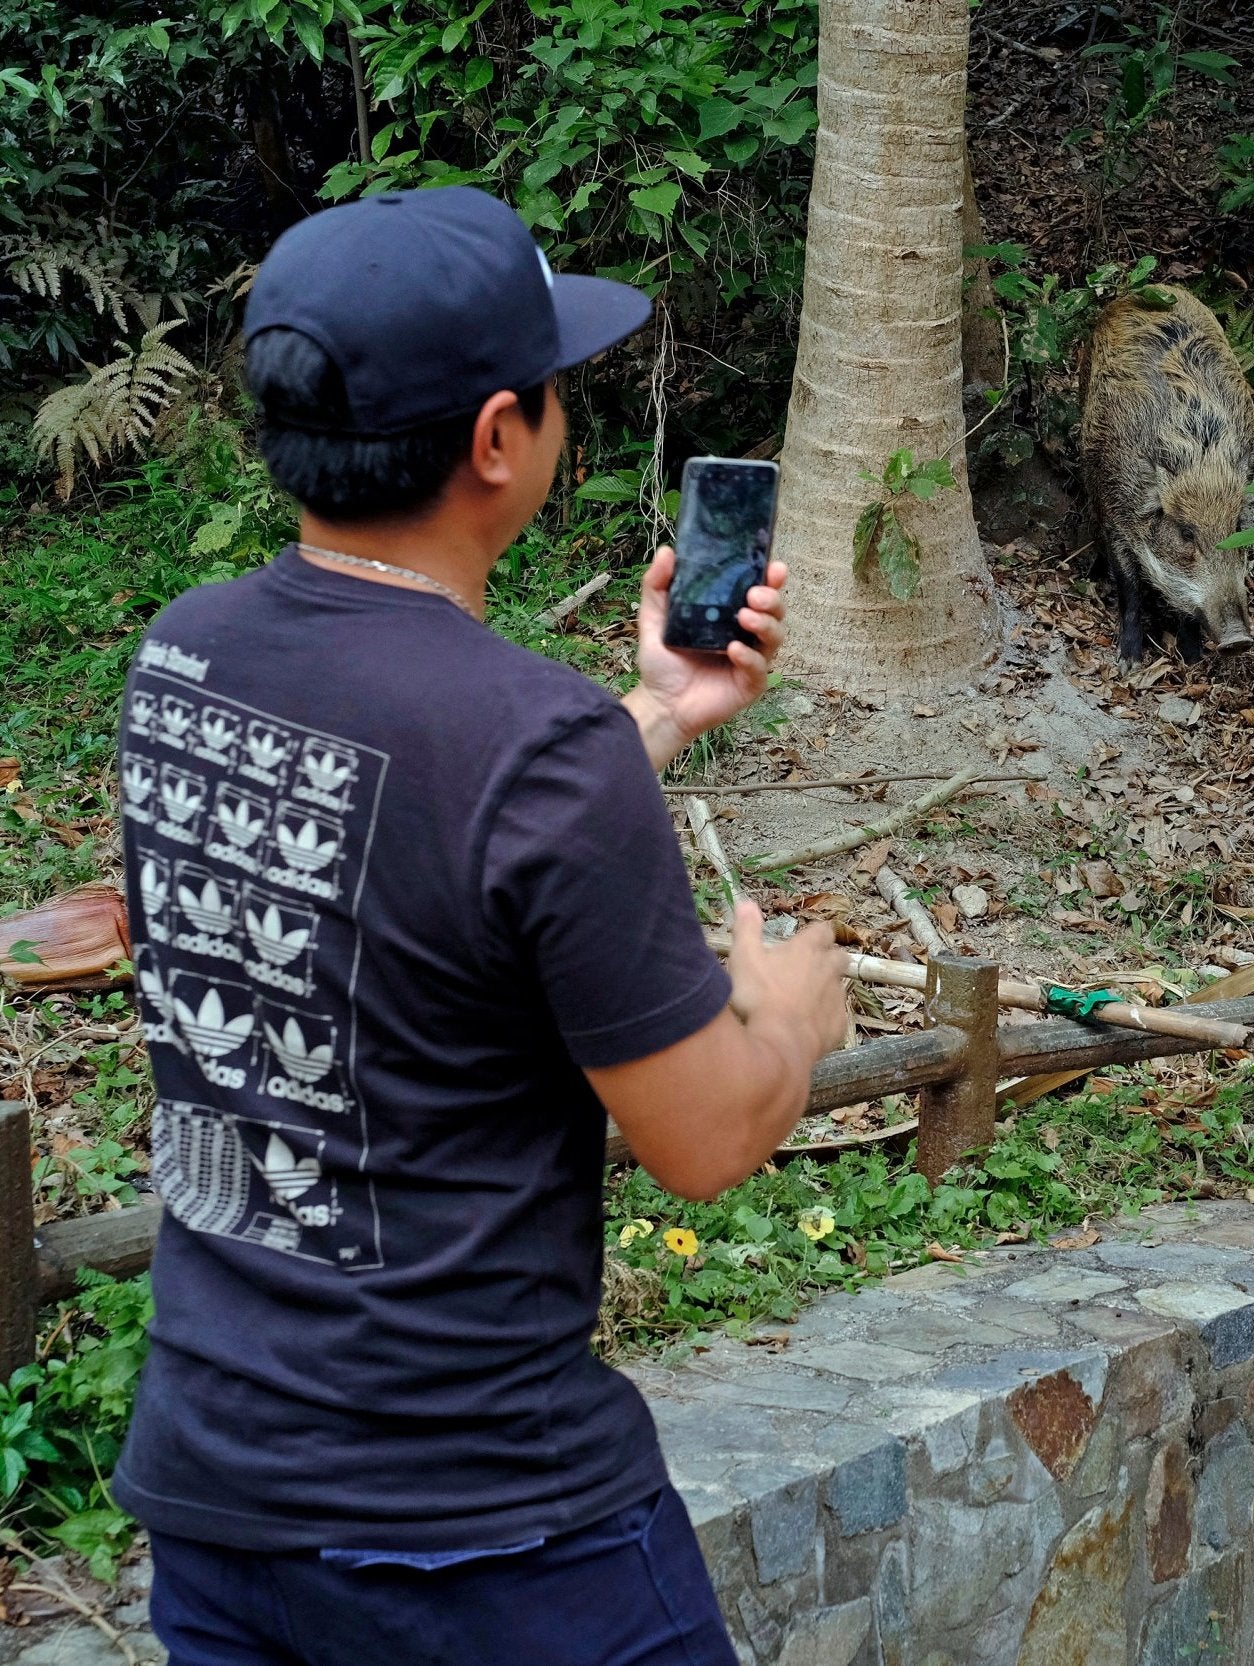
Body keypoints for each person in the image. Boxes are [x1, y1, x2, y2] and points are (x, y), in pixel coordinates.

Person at [113, 186, 848, 1665]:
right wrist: (788, 1011)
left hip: (216, 1487)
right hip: (482, 1531)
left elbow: (393, 827)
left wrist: (657, 712)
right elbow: (702, 1143)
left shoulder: (183, 652)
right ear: (499, 437)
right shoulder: (536, 746)